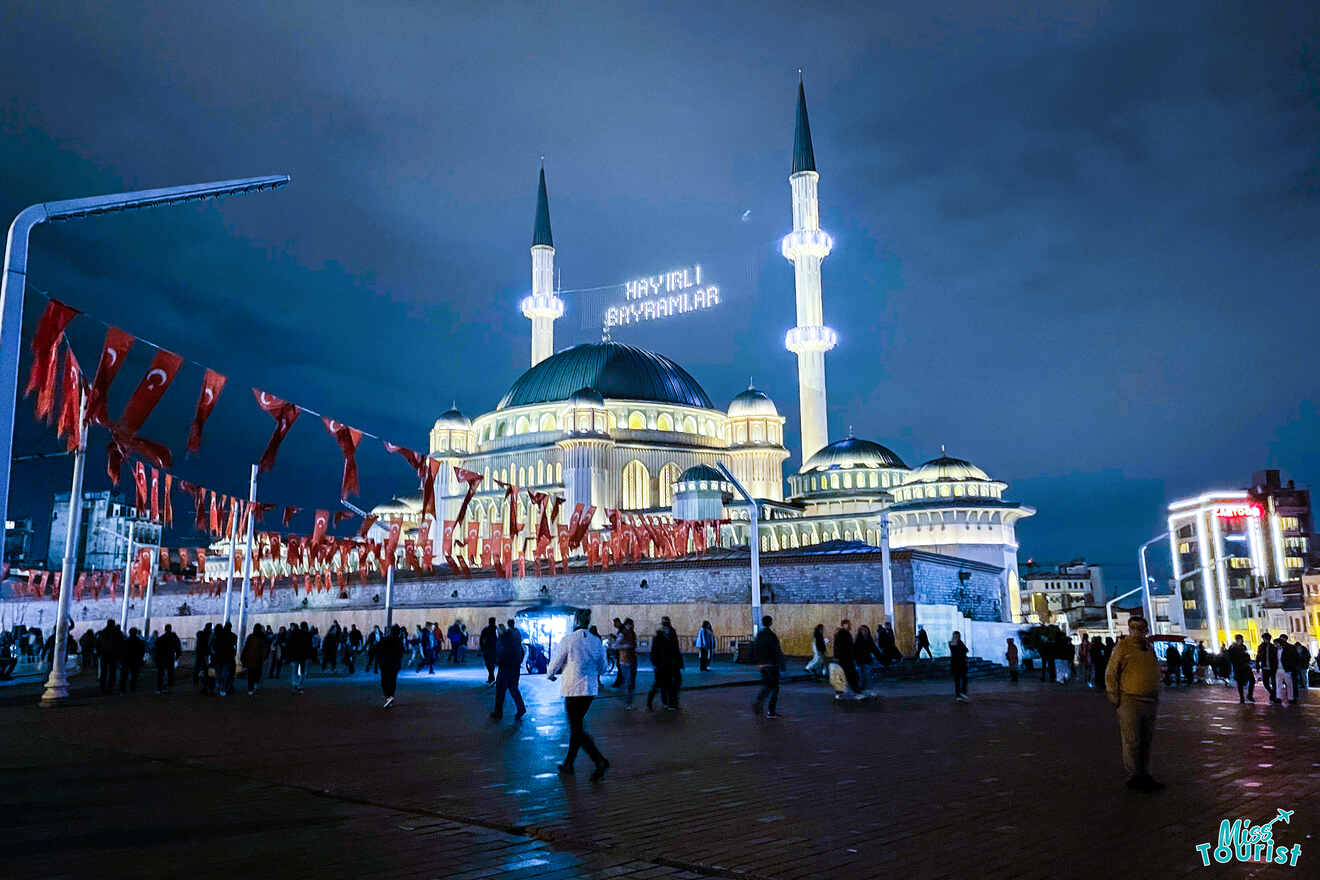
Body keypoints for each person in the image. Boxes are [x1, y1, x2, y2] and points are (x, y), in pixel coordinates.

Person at [547, 608, 609, 781]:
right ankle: (569, 763)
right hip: (589, 690)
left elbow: (556, 662)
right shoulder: (596, 641)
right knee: (577, 727)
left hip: (573, 689)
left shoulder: (568, 640)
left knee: (576, 728)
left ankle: (599, 760)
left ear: (575, 622)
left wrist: (550, 674)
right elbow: (603, 668)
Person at [1105, 615, 1163, 792]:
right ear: (1129, 629)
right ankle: (1134, 776)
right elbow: (1111, 673)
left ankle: (1144, 774)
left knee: (1146, 740)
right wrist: (1115, 697)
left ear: (1146, 631)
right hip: (1129, 700)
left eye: (1140, 628)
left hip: (1150, 700)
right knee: (1133, 740)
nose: (1137, 632)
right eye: (1133, 628)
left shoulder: (1149, 649)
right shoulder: (1122, 648)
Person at [491, 619, 527, 720]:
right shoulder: (516, 637)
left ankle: (498, 712)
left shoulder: (504, 639)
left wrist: (497, 660)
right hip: (515, 667)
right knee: (513, 688)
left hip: (505, 667)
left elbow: (501, 652)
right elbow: (521, 652)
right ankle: (521, 708)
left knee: (500, 690)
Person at [751, 615, 785, 717]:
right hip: (771, 665)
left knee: (767, 685)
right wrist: (782, 663)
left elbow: (755, 648)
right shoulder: (772, 636)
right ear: (770, 623)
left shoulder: (759, 635)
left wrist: (758, 662)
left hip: (762, 665)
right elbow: (776, 651)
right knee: (775, 687)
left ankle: (759, 701)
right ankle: (771, 711)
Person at [647, 617, 683, 711]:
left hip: (671, 664)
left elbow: (676, 649)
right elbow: (654, 651)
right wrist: (655, 663)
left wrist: (679, 662)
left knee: (669, 684)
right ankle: (652, 703)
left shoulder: (671, 634)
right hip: (662, 664)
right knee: (660, 684)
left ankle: (670, 703)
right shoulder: (659, 636)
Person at [377, 624, 404, 707]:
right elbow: (400, 653)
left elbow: (378, 650)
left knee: (385, 680)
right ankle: (391, 695)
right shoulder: (399, 641)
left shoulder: (385, 639)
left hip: (385, 664)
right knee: (392, 680)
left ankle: (388, 696)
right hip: (394, 664)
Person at [614, 618, 637, 708]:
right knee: (628, 681)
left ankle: (629, 702)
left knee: (629, 681)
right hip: (625, 660)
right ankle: (628, 703)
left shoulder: (629, 633)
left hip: (629, 660)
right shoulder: (623, 633)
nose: (630, 626)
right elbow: (616, 645)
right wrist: (626, 646)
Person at [241, 624, 269, 695]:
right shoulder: (262, 637)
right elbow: (264, 649)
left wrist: (243, 657)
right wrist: (264, 657)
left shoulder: (250, 637)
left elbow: (246, 647)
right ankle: (255, 685)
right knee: (257, 673)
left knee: (250, 674)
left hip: (250, 658)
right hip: (258, 659)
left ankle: (250, 689)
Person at [96, 619, 123, 695]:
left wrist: (99, 653)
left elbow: (97, 644)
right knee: (112, 672)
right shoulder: (117, 633)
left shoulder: (102, 633)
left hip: (104, 655)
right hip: (113, 655)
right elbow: (121, 644)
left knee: (104, 672)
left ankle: (103, 687)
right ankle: (110, 687)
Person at [153, 624, 181, 694]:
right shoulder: (174, 637)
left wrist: (156, 658)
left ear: (165, 629)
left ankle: (160, 688)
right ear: (170, 629)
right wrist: (177, 655)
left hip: (162, 657)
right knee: (170, 673)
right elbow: (178, 647)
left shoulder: (161, 638)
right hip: (170, 657)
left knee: (161, 673)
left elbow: (156, 648)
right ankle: (168, 688)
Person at [833, 619, 860, 692]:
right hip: (845, 658)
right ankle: (856, 691)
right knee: (850, 674)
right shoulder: (842, 634)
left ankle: (840, 691)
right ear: (843, 625)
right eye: (848, 624)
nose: (850, 625)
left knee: (847, 675)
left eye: (849, 624)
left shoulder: (845, 633)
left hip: (846, 658)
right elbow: (838, 646)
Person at [1227, 634, 1255, 703]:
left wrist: (1247, 659)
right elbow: (1231, 658)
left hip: (1245, 667)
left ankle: (1249, 695)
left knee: (1251, 681)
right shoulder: (1232, 648)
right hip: (1239, 668)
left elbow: (1246, 656)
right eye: (1240, 639)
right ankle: (1242, 698)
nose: (1242, 640)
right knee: (1240, 684)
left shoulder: (1243, 646)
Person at [213, 622, 237, 696]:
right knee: (225, 674)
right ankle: (224, 689)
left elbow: (215, 646)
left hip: (219, 657)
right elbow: (234, 646)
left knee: (219, 674)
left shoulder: (219, 635)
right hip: (228, 658)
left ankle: (219, 687)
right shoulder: (233, 636)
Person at [120, 626, 145, 693]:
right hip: (135, 660)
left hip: (127, 660)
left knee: (124, 675)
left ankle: (123, 689)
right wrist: (140, 658)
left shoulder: (126, 641)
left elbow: (122, 651)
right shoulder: (139, 641)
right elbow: (142, 651)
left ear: (129, 632)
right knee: (134, 675)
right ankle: (132, 688)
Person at [1256, 632, 1279, 703]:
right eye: (1264, 639)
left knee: (1274, 682)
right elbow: (1258, 657)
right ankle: (1272, 693)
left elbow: (1277, 657)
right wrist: (1257, 666)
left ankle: (1273, 696)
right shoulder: (1261, 647)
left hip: (1273, 667)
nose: (1265, 640)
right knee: (1265, 683)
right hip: (1265, 667)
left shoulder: (1273, 647)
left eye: (1267, 639)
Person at [854, 625, 878, 689]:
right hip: (860, 660)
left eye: (865, 630)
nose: (864, 632)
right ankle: (862, 688)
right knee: (862, 675)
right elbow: (854, 649)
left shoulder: (869, 638)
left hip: (867, 659)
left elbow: (874, 649)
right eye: (862, 630)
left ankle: (867, 688)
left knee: (867, 675)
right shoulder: (857, 638)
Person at [1275, 634, 1296, 707]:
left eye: (1276, 644)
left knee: (1289, 684)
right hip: (1278, 669)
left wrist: (1291, 668)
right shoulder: (1275, 651)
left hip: (1286, 669)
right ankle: (1279, 697)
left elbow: (1292, 659)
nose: (1275, 645)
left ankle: (1291, 698)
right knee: (1278, 684)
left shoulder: (1287, 650)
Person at [949, 631, 970, 701]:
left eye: (957, 636)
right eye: (955, 636)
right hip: (957, 664)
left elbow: (966, 650)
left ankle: (961, 693)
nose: (956, 637)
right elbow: (963, 650)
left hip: (961, 664)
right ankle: (959, 694)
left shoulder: (959, 643)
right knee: (959, 679)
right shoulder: (953, 643)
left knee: (962, 679)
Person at [480, 617, 499, 685]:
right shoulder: (497, 629)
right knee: (492, 663)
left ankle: (491, 676)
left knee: (488, 663)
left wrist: (482, 647)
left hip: (488, 649)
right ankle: (491, 676)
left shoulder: (486, 629)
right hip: (495, 649)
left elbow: (481, 639)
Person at [194, 623, 212, 689]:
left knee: (197, 667)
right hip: (206, 653)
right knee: (206, 667)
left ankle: (196, 680)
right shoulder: (209, 634)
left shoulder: (200, 633)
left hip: (199, 652)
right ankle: (207, 681)